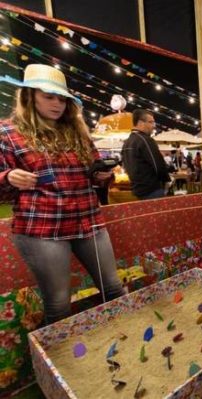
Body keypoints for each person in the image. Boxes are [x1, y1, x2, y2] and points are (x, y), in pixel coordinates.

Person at [0, 64, 125, 323]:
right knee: (58, 304)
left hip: (88, 220)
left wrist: (103, 176)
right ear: (29, 96)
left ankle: (124, 347)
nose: (57, 104)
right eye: (48, 96)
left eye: (62, 98)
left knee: (114, 288)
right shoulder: (8, 133)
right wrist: (8, 177)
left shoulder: (77, 131)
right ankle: (57, 361)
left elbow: (95, 169)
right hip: (42, 228)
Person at [121, 109, 171, 200]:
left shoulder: (126, 143)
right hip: (152, 190)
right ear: (140, 123)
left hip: (137, 190)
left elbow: (125, 167)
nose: (153, 126)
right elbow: (158, 165)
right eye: (151, 122)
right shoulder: (145, 140)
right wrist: (166, 180)